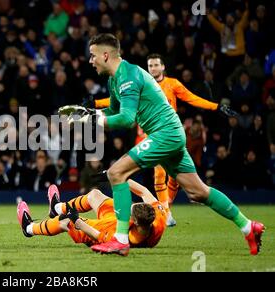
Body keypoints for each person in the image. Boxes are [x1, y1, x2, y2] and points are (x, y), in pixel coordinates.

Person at [59, 33, 264, 256]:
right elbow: (115, 112)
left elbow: (127, 120)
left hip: (165, 133)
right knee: (198, 192)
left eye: (93, 55)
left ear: (105, 55)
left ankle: (120, 240)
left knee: (116, 173)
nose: (90, 60)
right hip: (168, 134)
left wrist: (90, 120)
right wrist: (90, 113)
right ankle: (247, 226)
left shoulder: (129, 75)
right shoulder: (114, 79)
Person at [84, 53, 238, 227]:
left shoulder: (170, 84)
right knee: (181, 184)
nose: (153, 68)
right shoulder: (136, 79)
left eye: (156, 65)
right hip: (153, 133)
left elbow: (191, 98)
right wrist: (95, 105)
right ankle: (245, 225)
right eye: (150, 65)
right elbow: (120, 100)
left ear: (163, 67)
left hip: (166, 132)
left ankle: (143, 223)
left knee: (135, 173)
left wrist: (216, 106)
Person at [18, 183, 167, 249]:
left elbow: (97, 235)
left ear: (134, 221)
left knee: (66, 222)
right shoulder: (158, 217)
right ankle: (56, 207)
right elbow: (145, 192)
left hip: (97, 229)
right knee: (95, 194)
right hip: (115, 221)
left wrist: (76, 219)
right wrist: (117, 176)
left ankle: (29, 228)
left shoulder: (121, 239)